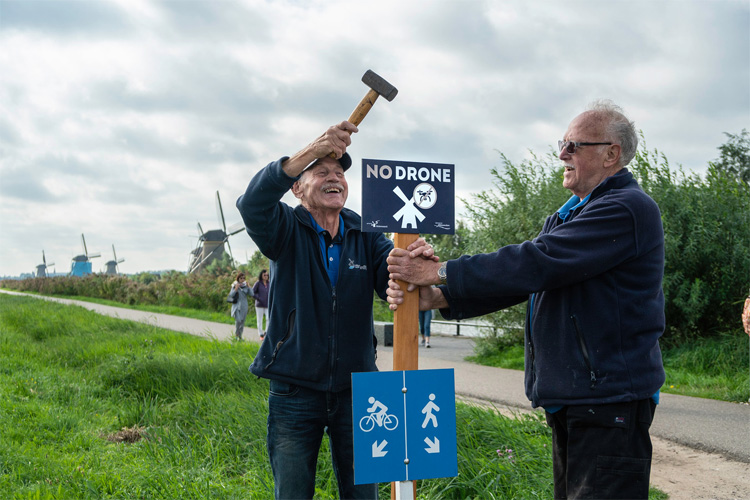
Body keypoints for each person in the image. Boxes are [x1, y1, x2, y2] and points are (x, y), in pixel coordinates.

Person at [386, 101, 665, 499]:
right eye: (562, 143)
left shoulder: (626, 208)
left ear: (611, 154)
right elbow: (527, 282)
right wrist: (438, 297)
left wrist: (441, 270)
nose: (561, 154)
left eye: (573, 145)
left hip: (609, 400)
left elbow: (537, 263)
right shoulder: (571, 215)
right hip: (580, 399)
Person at [236, 121, 434, 499]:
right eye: (321, 171)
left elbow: (390, 275)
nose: (335, 178)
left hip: (361, 393)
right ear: (297, 187)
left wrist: (411, 264)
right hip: (294, 391)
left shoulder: (367, 234)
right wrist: (309, 150)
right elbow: (252, 203)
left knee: (364, 495)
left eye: (340, 172)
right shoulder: (284, 229)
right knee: (292, 493)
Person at [227, 272, 253, 341]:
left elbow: (252, 294)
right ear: (238, 278)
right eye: (241, 278)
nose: (242, 279)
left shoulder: (245, 286)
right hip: (236, 306)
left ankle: (240, 336)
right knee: (238, 321)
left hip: (244, 306)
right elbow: (231, 295)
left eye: (244, 278)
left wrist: (249, 287)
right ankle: (236, 335)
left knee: (242, 322)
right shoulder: (234, 285)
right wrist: (236, 289)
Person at [252, 269, 270, 339]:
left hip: (267, 304)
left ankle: (266, 332)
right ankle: (261, 334)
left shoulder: (269, 283)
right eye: (264, 275)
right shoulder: (258, 283)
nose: (266, 276)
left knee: (268, 318)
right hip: (259, 305)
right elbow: (252, 292)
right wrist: (258, 298)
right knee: (259, 320)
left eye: (267, 275)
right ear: (261, 276)